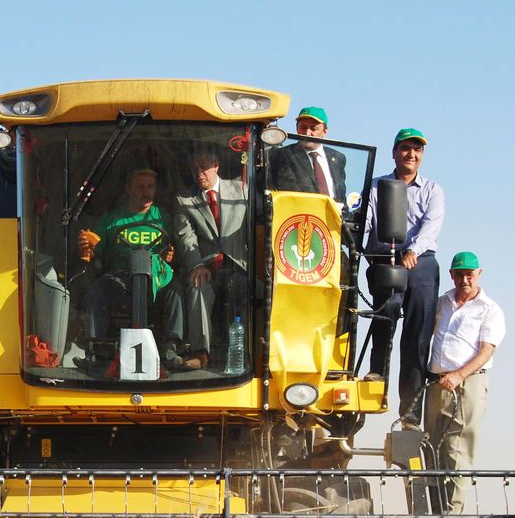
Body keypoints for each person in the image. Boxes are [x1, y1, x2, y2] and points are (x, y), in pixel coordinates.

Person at [362, 128, 446, 423]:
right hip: (386, 259)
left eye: (417, 150)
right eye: (406, 149)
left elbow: (430, 227)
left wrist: (413, 251)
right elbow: (366, 222)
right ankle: (376, 379)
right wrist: (368, 251)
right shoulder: (375, 187)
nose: (411, 155)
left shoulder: (432, 190)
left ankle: (410, 413)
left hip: (420, 262)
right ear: (394, 152)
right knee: (385, 317)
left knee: (417, 335)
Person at [423, 252, 506, 518]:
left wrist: (459, 375)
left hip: (468, 383)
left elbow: (487, 350)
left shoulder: (490, 310)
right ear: (451, 275)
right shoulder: (441, 304)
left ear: (479, 274)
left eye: (469, 274)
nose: (464, 279)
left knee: (457, 448)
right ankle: (431, 515)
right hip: (437, 383)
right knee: (431, 446)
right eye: (459, 274)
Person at [75, 168, 184, 364]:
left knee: (175, 288)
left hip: (156, 278)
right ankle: (95, 350)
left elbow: (175, 249)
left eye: (150, 186)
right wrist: (87, 247)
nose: (146, 191)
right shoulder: (112, 219)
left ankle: (171, 348)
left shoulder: (164, 217)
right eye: (140, 187)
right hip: (120, 278)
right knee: (98, 289)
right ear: (128, 189)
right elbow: (94, 252)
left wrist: (171, 255)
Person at [171, 147, 251, 369]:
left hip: (239, 264)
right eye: (195, 169)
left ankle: (249, 353)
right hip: (207, 265)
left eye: (204, 167)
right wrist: (196, 264)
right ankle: (201, 353)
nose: (199, 174)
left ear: (216, 165)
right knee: (197, 287)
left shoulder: (242, 190)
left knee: (249, 288)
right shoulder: (184, 200)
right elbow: (186, 238)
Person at [270, 106, 348, 202]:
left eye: (313, 128)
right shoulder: (283, 155)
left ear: (324, 132)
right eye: (303, 127)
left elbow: (341, 197)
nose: (307, 133)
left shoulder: (338, 158)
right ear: (297, 129)